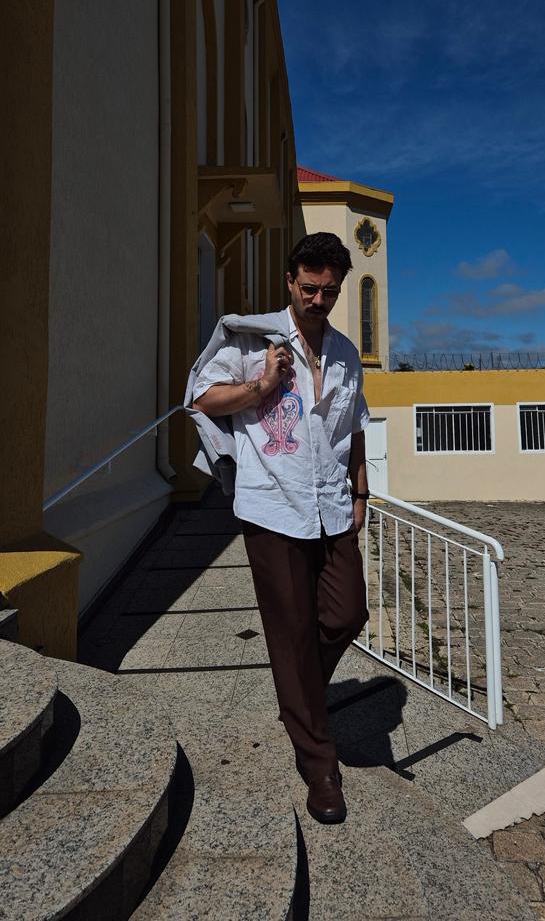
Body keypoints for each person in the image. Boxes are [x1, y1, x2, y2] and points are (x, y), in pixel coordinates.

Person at [192, 232, 370, 824]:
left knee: (346, 614)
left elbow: (355, 427)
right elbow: (203, 398)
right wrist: (261, 386)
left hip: (333, 505)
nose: (320, 299)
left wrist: (362, 490)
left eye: (330, 291)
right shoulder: (251, 337)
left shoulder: (344, 352)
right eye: (310, 288)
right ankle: (319, 764)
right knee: (291, 628)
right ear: (291, 281)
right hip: (272, 505)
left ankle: (299, 699)